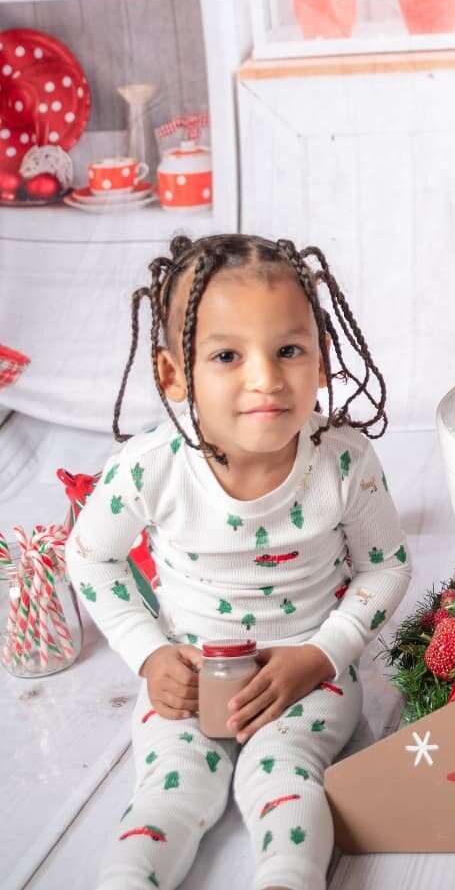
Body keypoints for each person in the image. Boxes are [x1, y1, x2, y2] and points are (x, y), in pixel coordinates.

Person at [66, 234, 412, 890]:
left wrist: (319, 656)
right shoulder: (153, 467)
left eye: (289, 349)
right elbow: (90, 559)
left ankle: (288, 877)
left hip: (307, 673)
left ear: (321, 357)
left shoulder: (341, 462)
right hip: (187, 677)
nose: (266, 377)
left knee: (284, 776)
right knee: (170, 794)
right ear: (174, 375)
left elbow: (386, 566)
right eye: (227, 354)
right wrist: (150, 656)